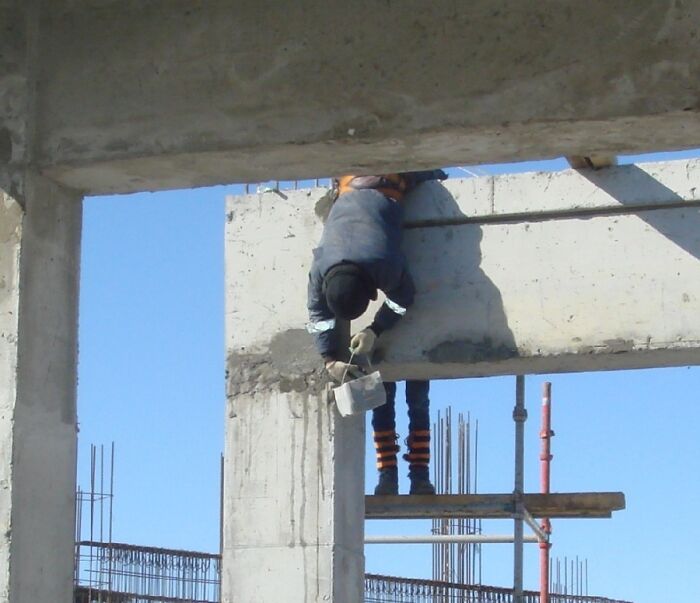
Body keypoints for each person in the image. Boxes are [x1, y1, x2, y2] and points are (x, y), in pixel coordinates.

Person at [306, 170, 447, 495]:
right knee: (384, 399)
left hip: (384, 184)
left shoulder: (382, 259)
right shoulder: (320, 269)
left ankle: (418, 474)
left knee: (417, 398)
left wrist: (374, 328)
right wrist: (330, 360)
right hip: (360, 186)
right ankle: (389, 476)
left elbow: (403, 299)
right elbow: (319, 318)